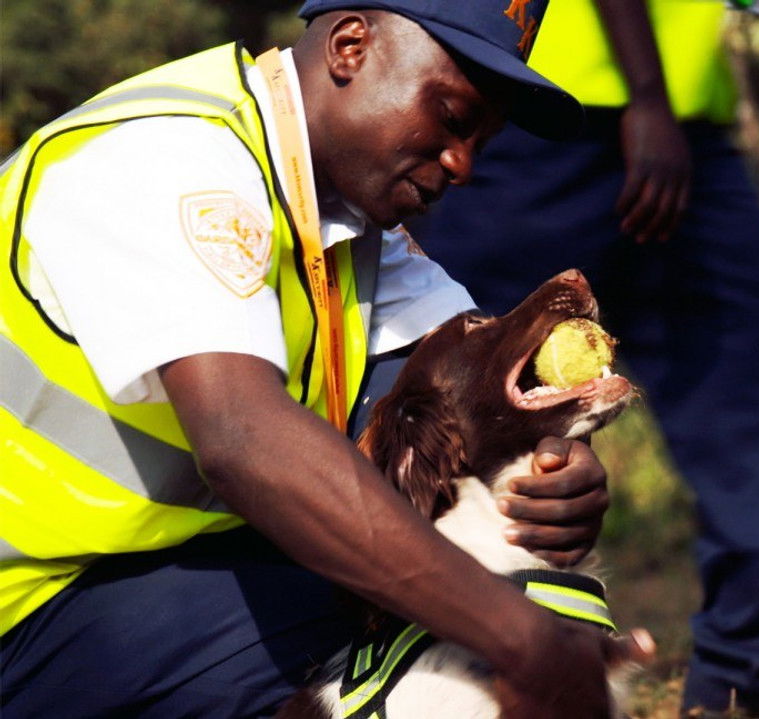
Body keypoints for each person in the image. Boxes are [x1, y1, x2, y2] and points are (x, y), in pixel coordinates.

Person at [0, 2, 644, 716]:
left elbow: (473, 382)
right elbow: (245, 441)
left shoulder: (344, 221)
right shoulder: (170, 158)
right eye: (452, 118)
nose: (463, 165)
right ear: (349, 46)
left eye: (482, 141)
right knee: (422, 621)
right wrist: (520, 641)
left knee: (454, 594)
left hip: (137, 581)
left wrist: (559, 467)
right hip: (28, 610)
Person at [405, 1, 759, 717]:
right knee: (445, 381)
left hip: (682, 117)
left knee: (754, 374)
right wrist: (644, 94)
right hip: (555, 106)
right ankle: (407, 648)